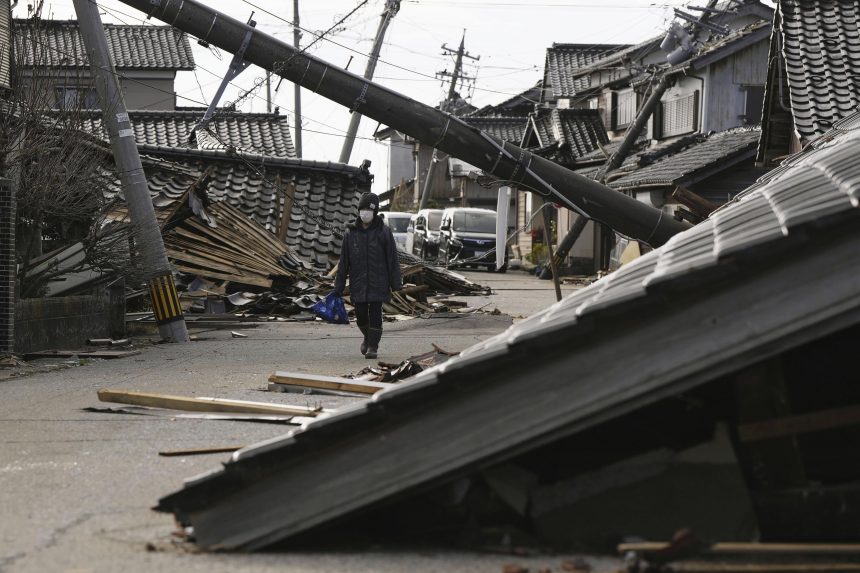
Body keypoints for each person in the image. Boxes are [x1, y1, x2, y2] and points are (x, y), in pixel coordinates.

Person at [332, 192, 402, 359]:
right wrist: (338, 286)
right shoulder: (351, 233)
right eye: (362, 209)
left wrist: (396, 283)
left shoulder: (384, 232)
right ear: (358, 211)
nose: (365, 213)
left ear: (375, 211)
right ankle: (367, 336)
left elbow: (392, 258)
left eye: (368, 209)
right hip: (358, 282)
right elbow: (343, 262)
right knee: (361, 315)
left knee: (376, 313)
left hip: (379, 281)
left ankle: (373, 347)